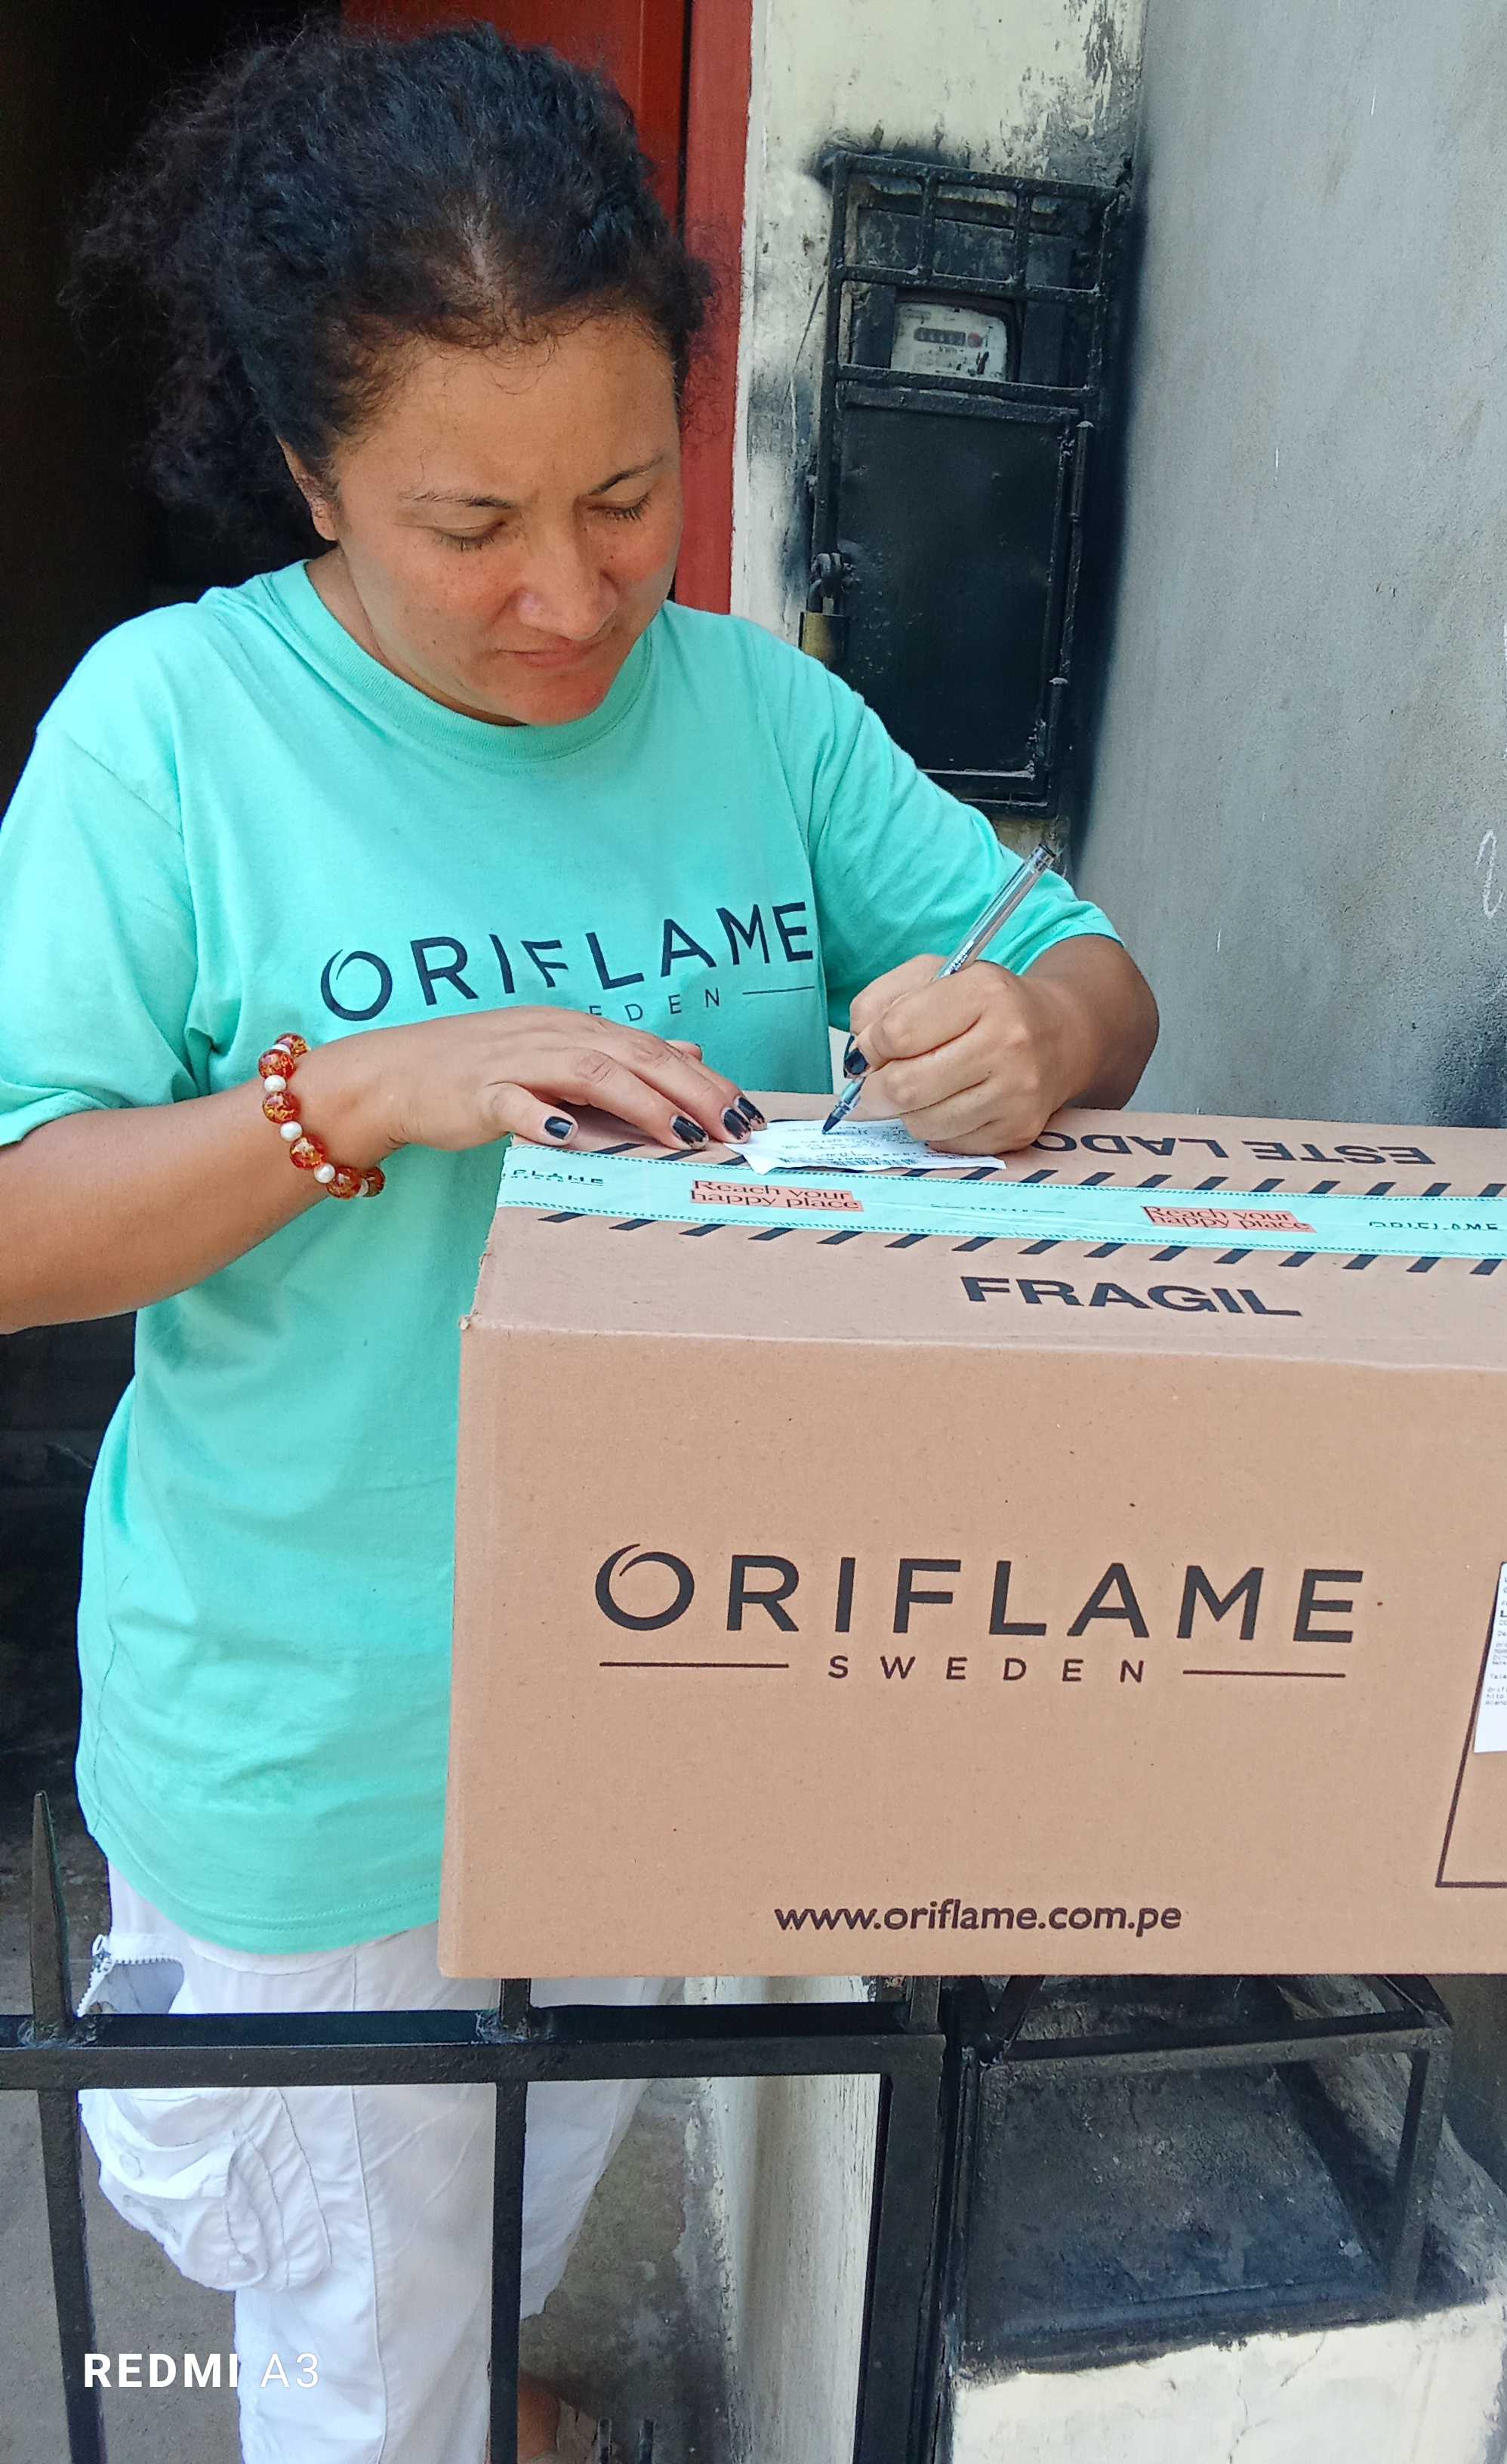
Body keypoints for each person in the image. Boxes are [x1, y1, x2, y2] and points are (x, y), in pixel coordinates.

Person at [0, 23, 1157, 2464]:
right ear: (307, 469)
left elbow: (1088, 972)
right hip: (337, 1752)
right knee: (353, 2309)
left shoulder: (750, 711)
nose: (567, 593)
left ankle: (457, 2377)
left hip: (674, 1682)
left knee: (505, 2189)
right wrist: (351, 1095)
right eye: (470, 525)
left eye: (627, 495)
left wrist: (1034, 1035)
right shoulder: (166, 735)